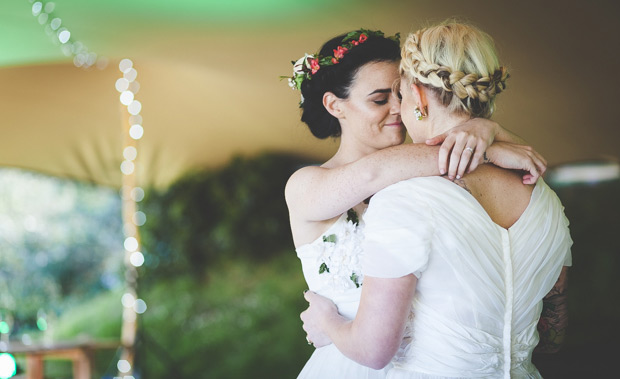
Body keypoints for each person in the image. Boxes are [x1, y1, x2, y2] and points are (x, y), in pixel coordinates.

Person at [300, 21, 572, 379]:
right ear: (335, 105)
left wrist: (328, 324)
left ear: (420, 95)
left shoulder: (409, 196)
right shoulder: (543, 198)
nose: (397, 107)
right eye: (381, 98)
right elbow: (371, 175)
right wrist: (487, 141)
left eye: (400, 93)